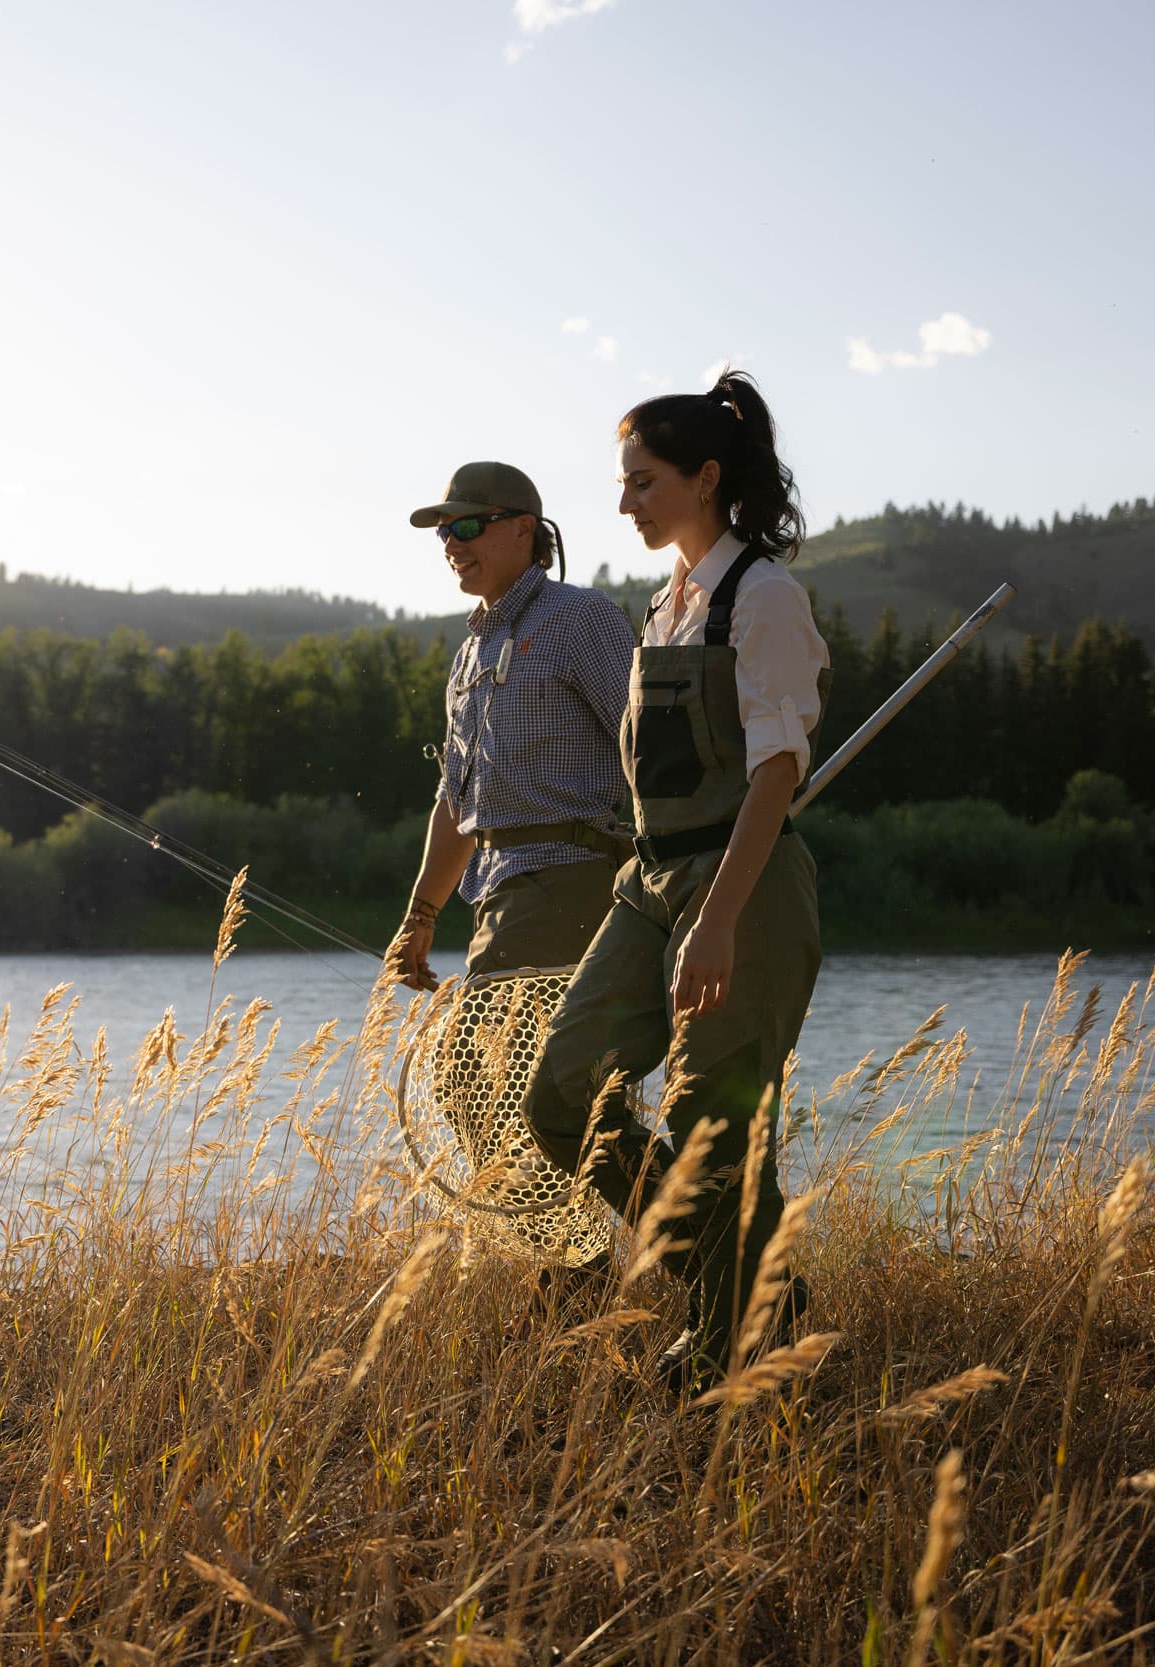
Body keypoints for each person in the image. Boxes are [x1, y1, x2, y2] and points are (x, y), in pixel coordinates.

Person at [515, 372, 830, 1390]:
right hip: (650, 881)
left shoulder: (764, 597)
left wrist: (718, 920)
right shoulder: (663, 605)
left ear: (705, 477)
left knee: (711, 1124)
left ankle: (742, 1331)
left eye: (642, 481)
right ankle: (748, 1293)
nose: (623, 503)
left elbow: (775, 774)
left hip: (743, 885)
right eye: (623, 482)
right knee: (563, 1091)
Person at [388, 462, 635, 994]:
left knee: (474, 1050)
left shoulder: (581, 616)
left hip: (565, 879)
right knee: (497, 1051)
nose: (453, 544)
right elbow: (455, 801)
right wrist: (420, 915)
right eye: (444, 532)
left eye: (468, 526)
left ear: (524, 529)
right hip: (496, 891)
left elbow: (649, 750)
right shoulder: (468, 655)